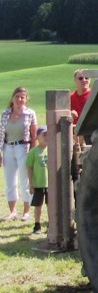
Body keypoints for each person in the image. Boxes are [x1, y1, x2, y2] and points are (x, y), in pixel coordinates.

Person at [0, 86, 38, 221]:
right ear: (12, 98)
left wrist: (33, 152)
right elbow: (1, 134)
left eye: (22, 97)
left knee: (25, 180)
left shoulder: (30, 114)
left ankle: (26, 212)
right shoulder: (5, 114)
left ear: (26, 99)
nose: (19, 99)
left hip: (24, 147)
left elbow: (34, 135)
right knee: (10, 180)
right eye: (17, 96)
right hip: (8, 147)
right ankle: (12, 211)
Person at [25, 125, 48, 234]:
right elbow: (29, 168)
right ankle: (37, 225)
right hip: (38, 183)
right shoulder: (33, 152)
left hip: (50, 184)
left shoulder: (53, 150)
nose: (46, 137)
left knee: (51, 205)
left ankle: (51, 225)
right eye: (44, 135)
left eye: (48, 135)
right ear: (37, 137)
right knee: (38, 205)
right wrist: (31, 183)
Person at [70, 70, 91, 145]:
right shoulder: (69, 98)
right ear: (75, 80)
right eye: (80, 78)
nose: (84, 80)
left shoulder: (94, 95)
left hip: (90, 135)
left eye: (87, 78)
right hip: (74, 138)